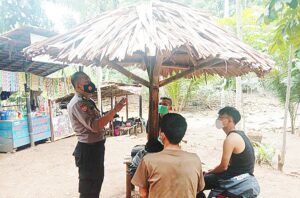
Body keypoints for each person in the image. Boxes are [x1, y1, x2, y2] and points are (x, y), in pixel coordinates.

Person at [67, 71, 127, 198]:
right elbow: (95, 126)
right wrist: (114, 110)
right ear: (78, 86)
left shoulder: (87, 100)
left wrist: (113, 112)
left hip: (95, 148)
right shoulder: (79, 103)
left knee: (96, 183)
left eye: (89, 79)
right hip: (88, 150)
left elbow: (98, 120)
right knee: (89, 188)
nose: (90, 83)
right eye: (86, 81)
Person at [132, 113, 205, 198]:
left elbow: (143, 193)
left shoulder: (148, 160)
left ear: (162, 135)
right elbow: (198, 189)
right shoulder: (195, 160)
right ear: (182, 135)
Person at [197, 106, 257, 198]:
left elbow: (224, 167)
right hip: (243, 175)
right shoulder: (240, 134)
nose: (217, 120)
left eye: (220, 117)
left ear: (229, 120)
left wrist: (211, 172)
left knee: (197, 182)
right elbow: (229, 163)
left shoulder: (230, 139)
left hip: (232, 178)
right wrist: (214, 170)